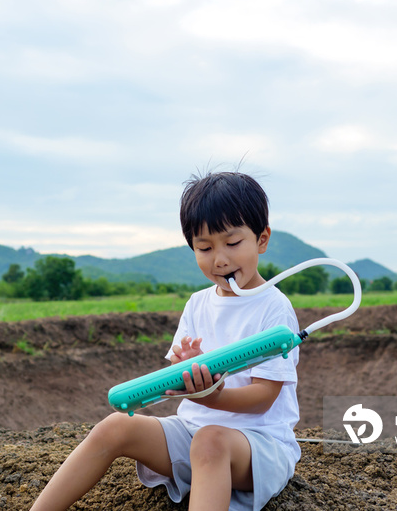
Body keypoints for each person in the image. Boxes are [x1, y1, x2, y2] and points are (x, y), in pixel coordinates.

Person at [30, 170, 301, 511]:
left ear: (262, 239)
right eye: (204, 247)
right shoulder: (197, 303)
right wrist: (184, 368)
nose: (220, 259)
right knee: (115, 427)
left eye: (232, 243)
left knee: (211, 440)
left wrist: (213, 397)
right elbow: (179, 376)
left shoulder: (274, 307)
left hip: (258, 448)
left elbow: (264, 398)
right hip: (192, 433)